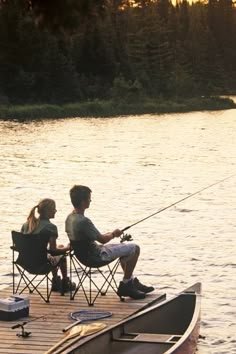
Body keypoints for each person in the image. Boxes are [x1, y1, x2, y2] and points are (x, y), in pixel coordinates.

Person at [65, 185, 154, 300]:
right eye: (89, 199)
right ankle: (127, 284)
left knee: (124, 247)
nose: (90, 201)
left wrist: (110, 234)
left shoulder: (70, 218)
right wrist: (114, 234)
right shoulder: (84, 221)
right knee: (135, 248)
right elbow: (102, 239)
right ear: (83, 202)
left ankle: (131, 281)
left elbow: (93, 237)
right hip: (97, 256)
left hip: (83, 256)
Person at [21, 198, 75, 293]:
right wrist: (68, 248)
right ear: (48, 211)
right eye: (54, 209)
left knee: (60, 247)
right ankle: (65, 282)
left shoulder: (27, 224)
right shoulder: (50, 227)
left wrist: (62, 248)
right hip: (41, 265)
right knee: (62, 254)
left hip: (25, 263)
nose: (56, 211)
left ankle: (56, 282)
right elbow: (53, 251)